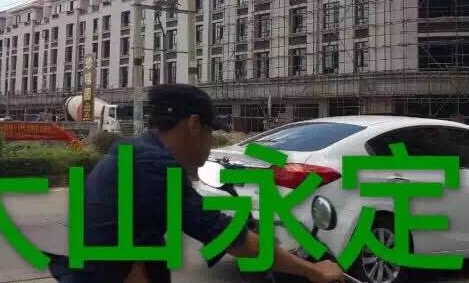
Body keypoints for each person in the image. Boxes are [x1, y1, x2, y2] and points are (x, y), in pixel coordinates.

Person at [48, 83, 344, 283]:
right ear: (193, 125)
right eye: (209, 133)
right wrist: (314, 271)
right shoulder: (152, 166)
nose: (210, 143)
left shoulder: (136, 153)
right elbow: (224, 235)